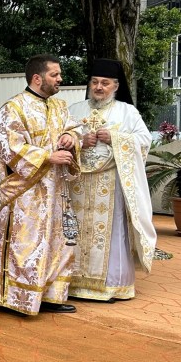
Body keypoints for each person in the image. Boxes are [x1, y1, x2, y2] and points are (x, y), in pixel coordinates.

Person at [0, 55, 80, 316]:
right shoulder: (13, 108)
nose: (60, 79)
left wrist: (70, 137)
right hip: (26, 192)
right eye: (54, 75)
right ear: (37, 78)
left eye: (59, 74)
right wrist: (48, 156)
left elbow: (74, 129)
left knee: (56, 243)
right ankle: (17, 297)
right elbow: (5, 145)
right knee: (26, 244)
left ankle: (50, 295)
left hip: (56, 190)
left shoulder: (60, 106)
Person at [68, 59, 157, 302]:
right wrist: (79, 141)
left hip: (111, 183)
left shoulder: (127, 112)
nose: (99, 87)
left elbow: (144, 140)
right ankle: (71, 282)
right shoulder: (74, 110)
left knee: (113, 230)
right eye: (95, 82)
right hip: (78, 184)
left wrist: (115, 138)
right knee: (74, 229)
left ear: (116, 86)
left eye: (105, 83)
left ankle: (112, 285)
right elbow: (60, 138)